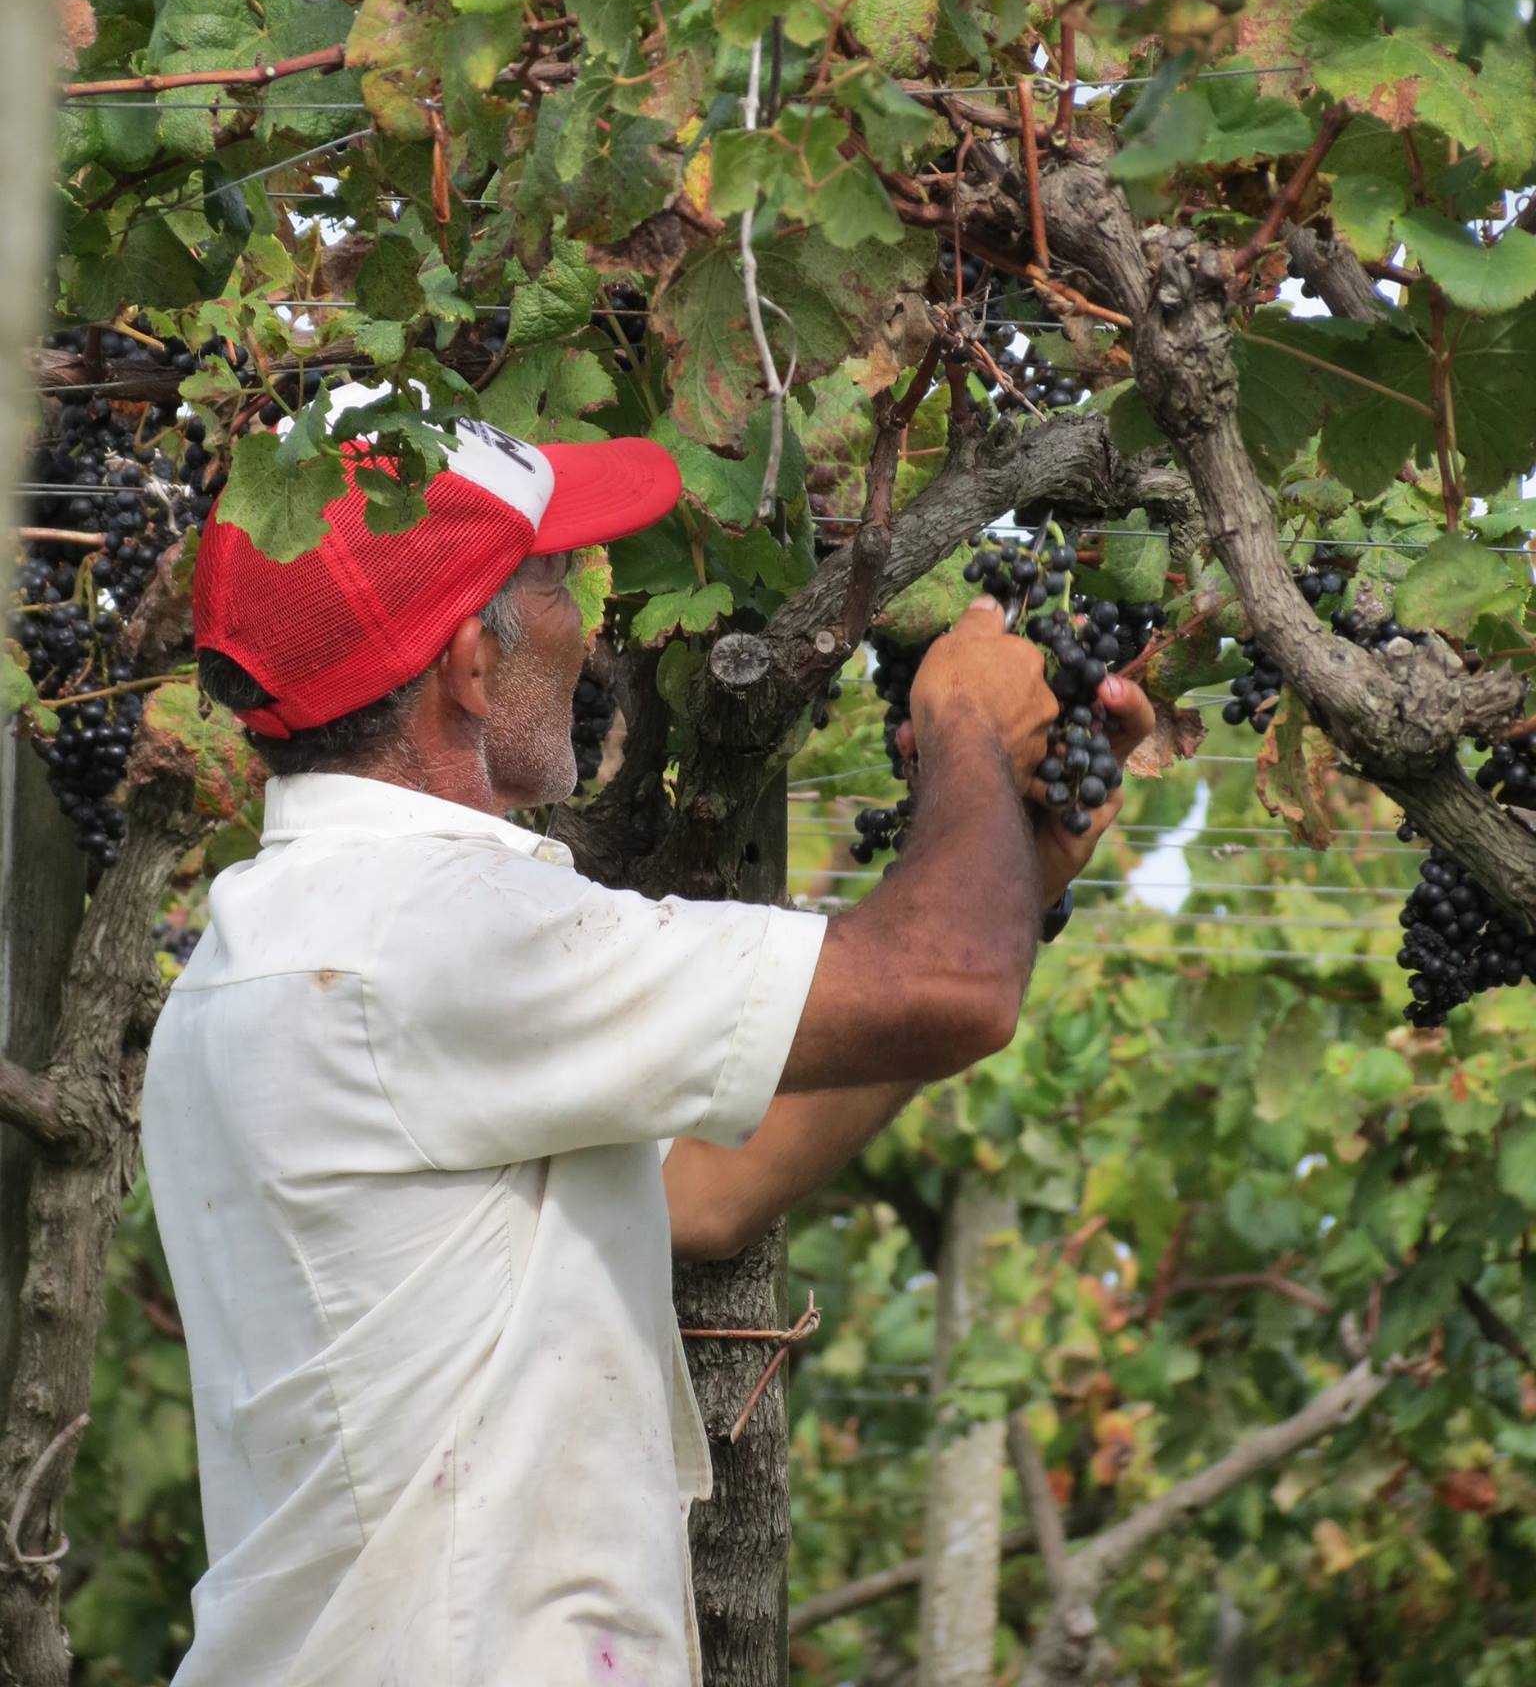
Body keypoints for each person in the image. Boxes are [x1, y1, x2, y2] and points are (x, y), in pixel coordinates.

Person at [142, 418, 1152, 1687]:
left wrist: (1021, 877)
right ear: (468, 660)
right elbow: (952, 982)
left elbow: (705, 1190)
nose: (589, 620)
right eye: (557, 578)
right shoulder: (433, 932)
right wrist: (960, 720)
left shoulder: (279, 942)